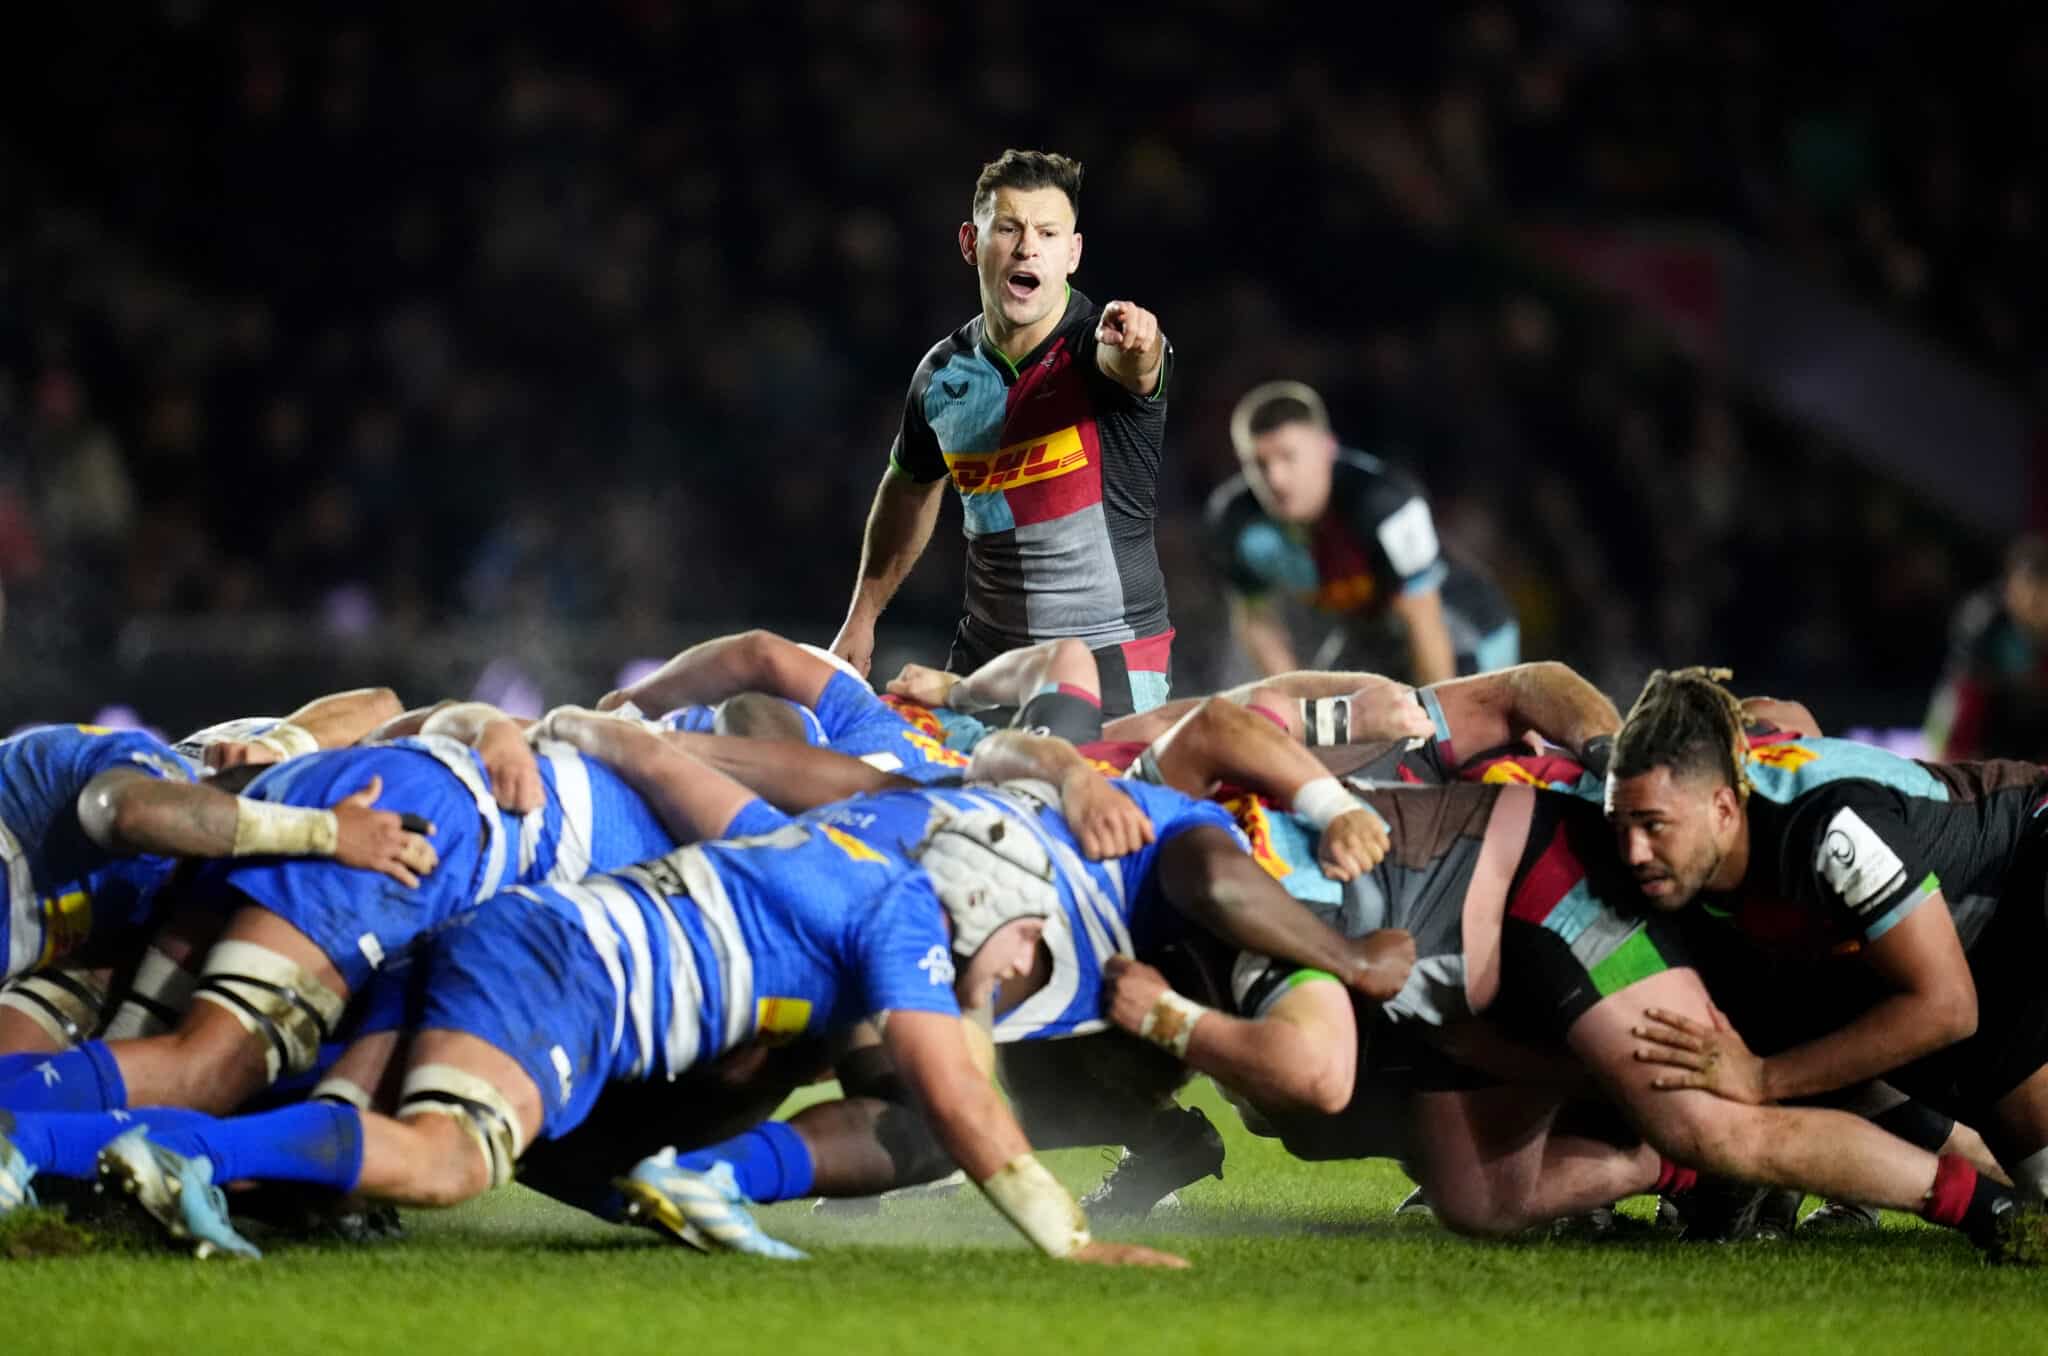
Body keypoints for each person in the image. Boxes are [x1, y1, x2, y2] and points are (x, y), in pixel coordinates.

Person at [829, 149, 1176, 718]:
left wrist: (1142, 340)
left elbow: (1138, 367)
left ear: (1072, 253)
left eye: (1047, 232)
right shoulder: (941, 375)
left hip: (1109, 657)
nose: (1027, 247)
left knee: (1064, 800)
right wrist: (861, 617)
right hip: (986, 658)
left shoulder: (1099, 349)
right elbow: (909, 487)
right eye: (1009, 228)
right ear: (971, 243)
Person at [1205, 381, 1516, 685]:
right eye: (1258, 464)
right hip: (1370, 627)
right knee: (1328, 720)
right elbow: (1259, 623)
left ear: (1327, 448)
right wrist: (1298, 707)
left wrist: (1437, 724)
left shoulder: (1383, 501)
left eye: (1288, 457)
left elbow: (1423, 619)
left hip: (1463, 625)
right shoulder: (1235, 521)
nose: (1275, 479)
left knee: (1453, 724)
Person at [1925, 534, 2048, 760]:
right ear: (2011, 588)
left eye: (2042, 602)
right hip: (1987, 720)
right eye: (2029, 599)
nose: (2035, 610)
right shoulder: (1982, 622)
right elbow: (1963, 699)